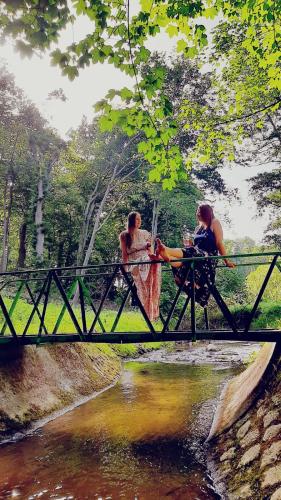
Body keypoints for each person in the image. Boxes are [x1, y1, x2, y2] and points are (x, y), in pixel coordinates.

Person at [155, 204, 235, 307]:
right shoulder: (198, 228)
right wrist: (190, 244)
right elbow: (195, 246)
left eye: (199, 212)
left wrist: (226, 261)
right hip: (196, 255)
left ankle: (165, 250)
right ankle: (167, 257)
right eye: (197, 212)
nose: (197, 214)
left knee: (191, 252)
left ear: (206, 214)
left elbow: (219, 243)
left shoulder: (215, 222)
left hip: (208, 257)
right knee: (186, 259)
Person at [119, 211, 161, 321]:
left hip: (147, 260)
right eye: (137, 219)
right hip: (135, 263)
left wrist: (149, 248)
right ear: (131, 220)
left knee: (150, 259)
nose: (139, 221)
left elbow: (150, 251)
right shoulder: (124, 235)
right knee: (146, 261)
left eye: (140, 219)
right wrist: (124, 269)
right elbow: (124, 254)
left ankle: (152, 312)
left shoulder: (145, 233)